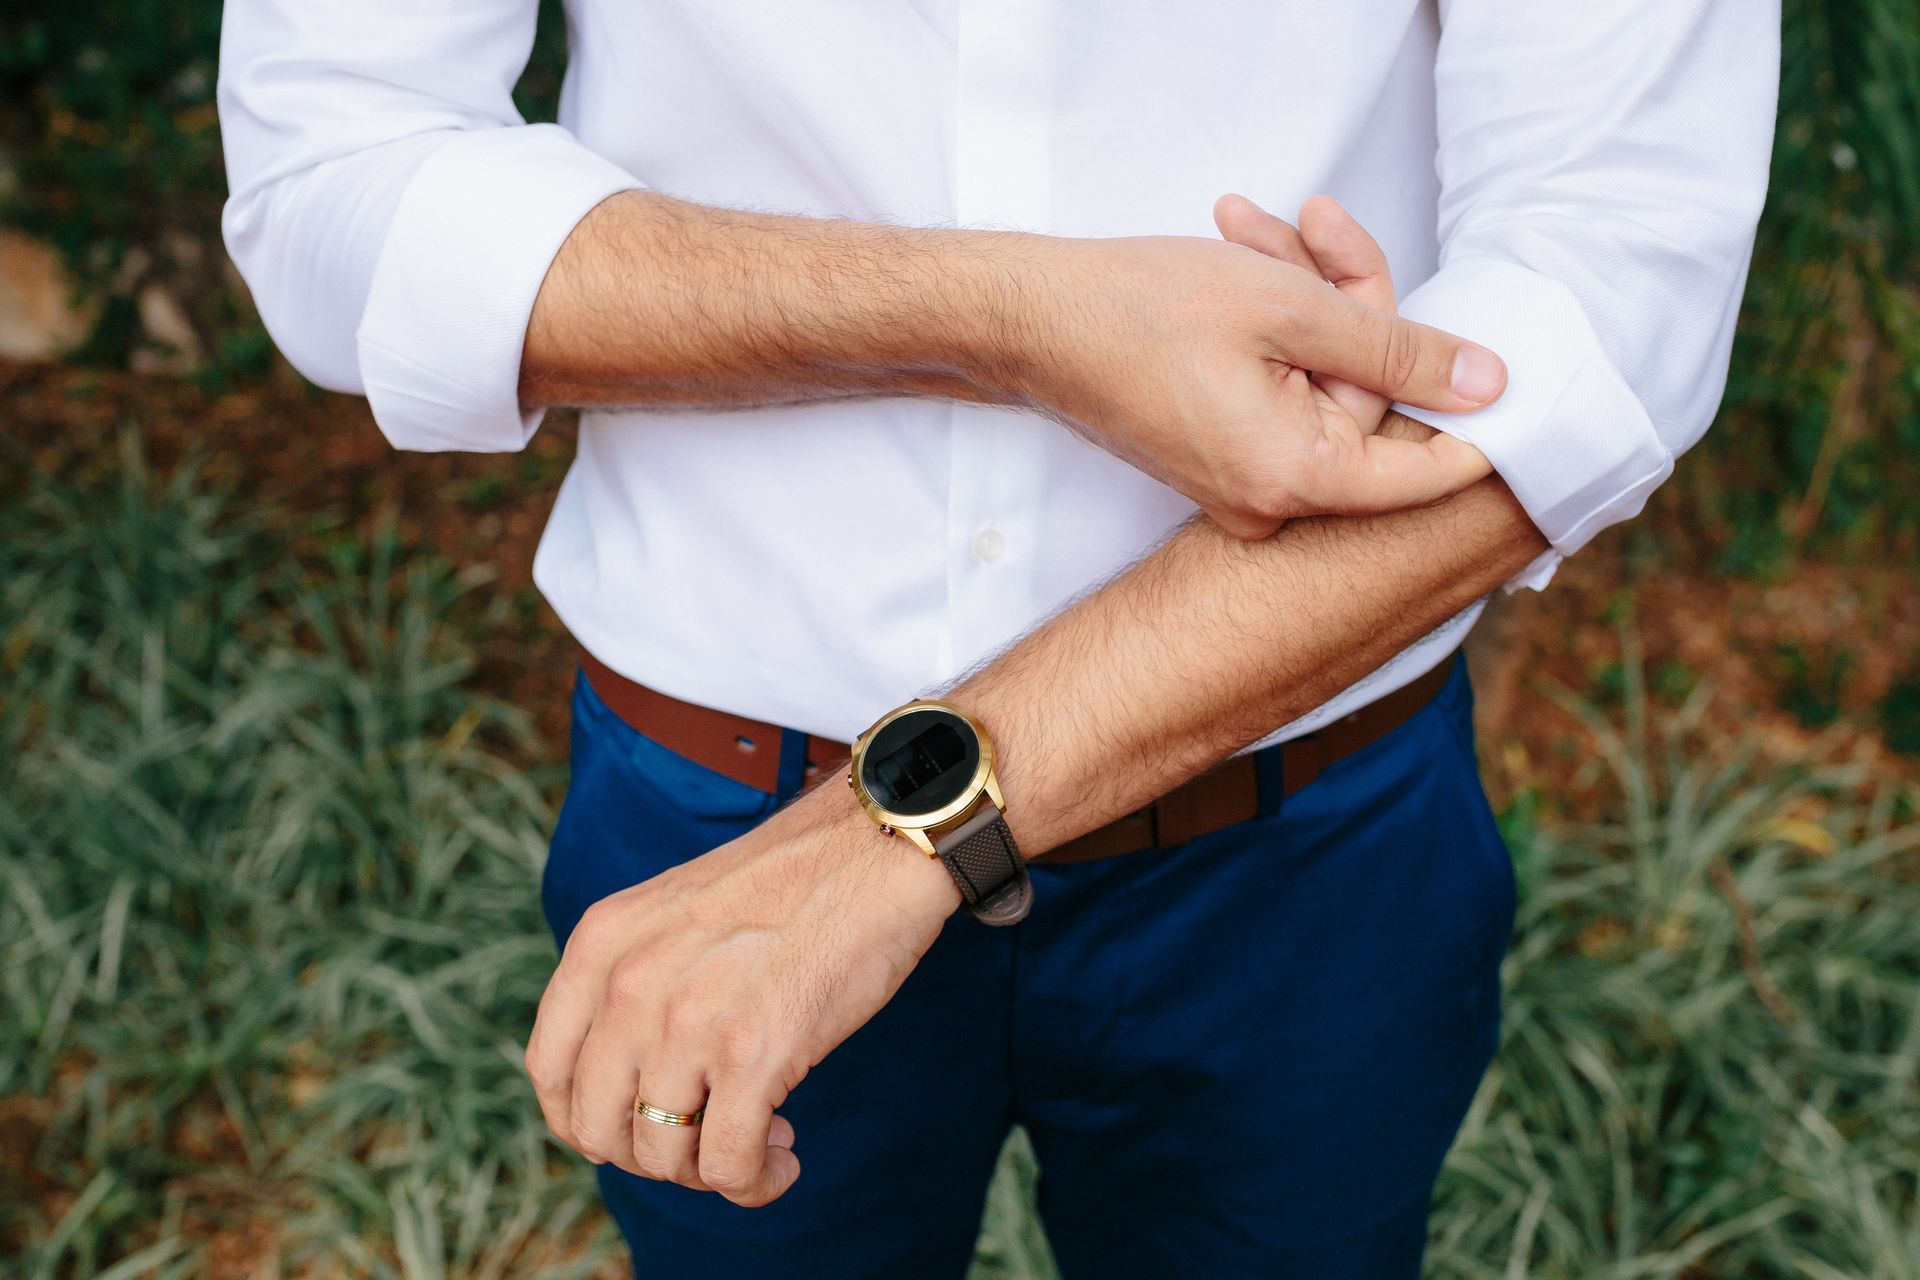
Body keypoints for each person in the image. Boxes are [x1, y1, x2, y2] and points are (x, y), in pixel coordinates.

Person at [217, 3, 1778, 1275]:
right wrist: (1018, 318)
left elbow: (1600, 319)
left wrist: (880, 842)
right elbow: (334, 180)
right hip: (704, 809)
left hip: (1306, 849)